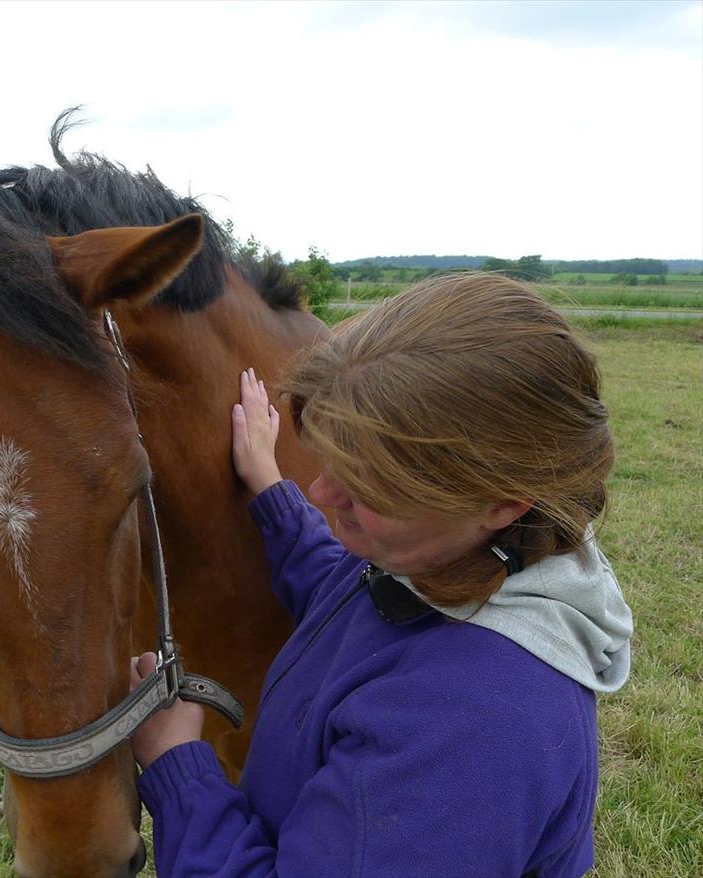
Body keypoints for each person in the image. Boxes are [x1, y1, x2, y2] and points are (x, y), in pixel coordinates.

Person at [130, 273, 633, 878]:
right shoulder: (462, 561)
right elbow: (344, 596)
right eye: (330, 462)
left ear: (503, 502)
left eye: (366, 486)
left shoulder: (467, 730)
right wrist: (269, 487)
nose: (320, 491)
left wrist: (179, 765)